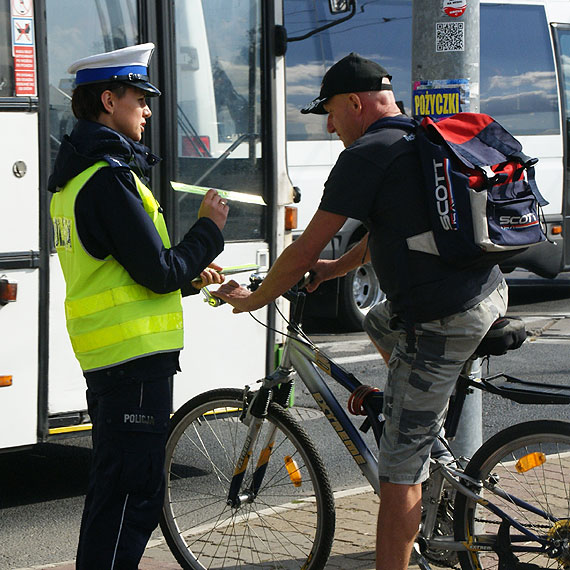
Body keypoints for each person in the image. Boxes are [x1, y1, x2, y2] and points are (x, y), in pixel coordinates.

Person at [214, 52, 507, 570]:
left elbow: (302, 248)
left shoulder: (367, 153)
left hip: (443, 319)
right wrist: (334, 269)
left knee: (397, 473)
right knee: (377, 319)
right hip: (486, 292)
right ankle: (417, 414)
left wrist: (255, 300)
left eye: (329, 111)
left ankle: (413, 444)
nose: (329, 125)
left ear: (354, 102)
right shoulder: (417, 136)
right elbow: (386, 231)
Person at [48, 43, 228, 569]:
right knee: (133, 497)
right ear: (109, 100)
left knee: (114, 493)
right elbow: (156, 270)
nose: (148, 110)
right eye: (140, 99)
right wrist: (209, 232)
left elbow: (128, 274)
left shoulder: (75, 177)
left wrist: (192, 280)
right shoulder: (106, 180)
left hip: (112, 359)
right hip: (134, 364)